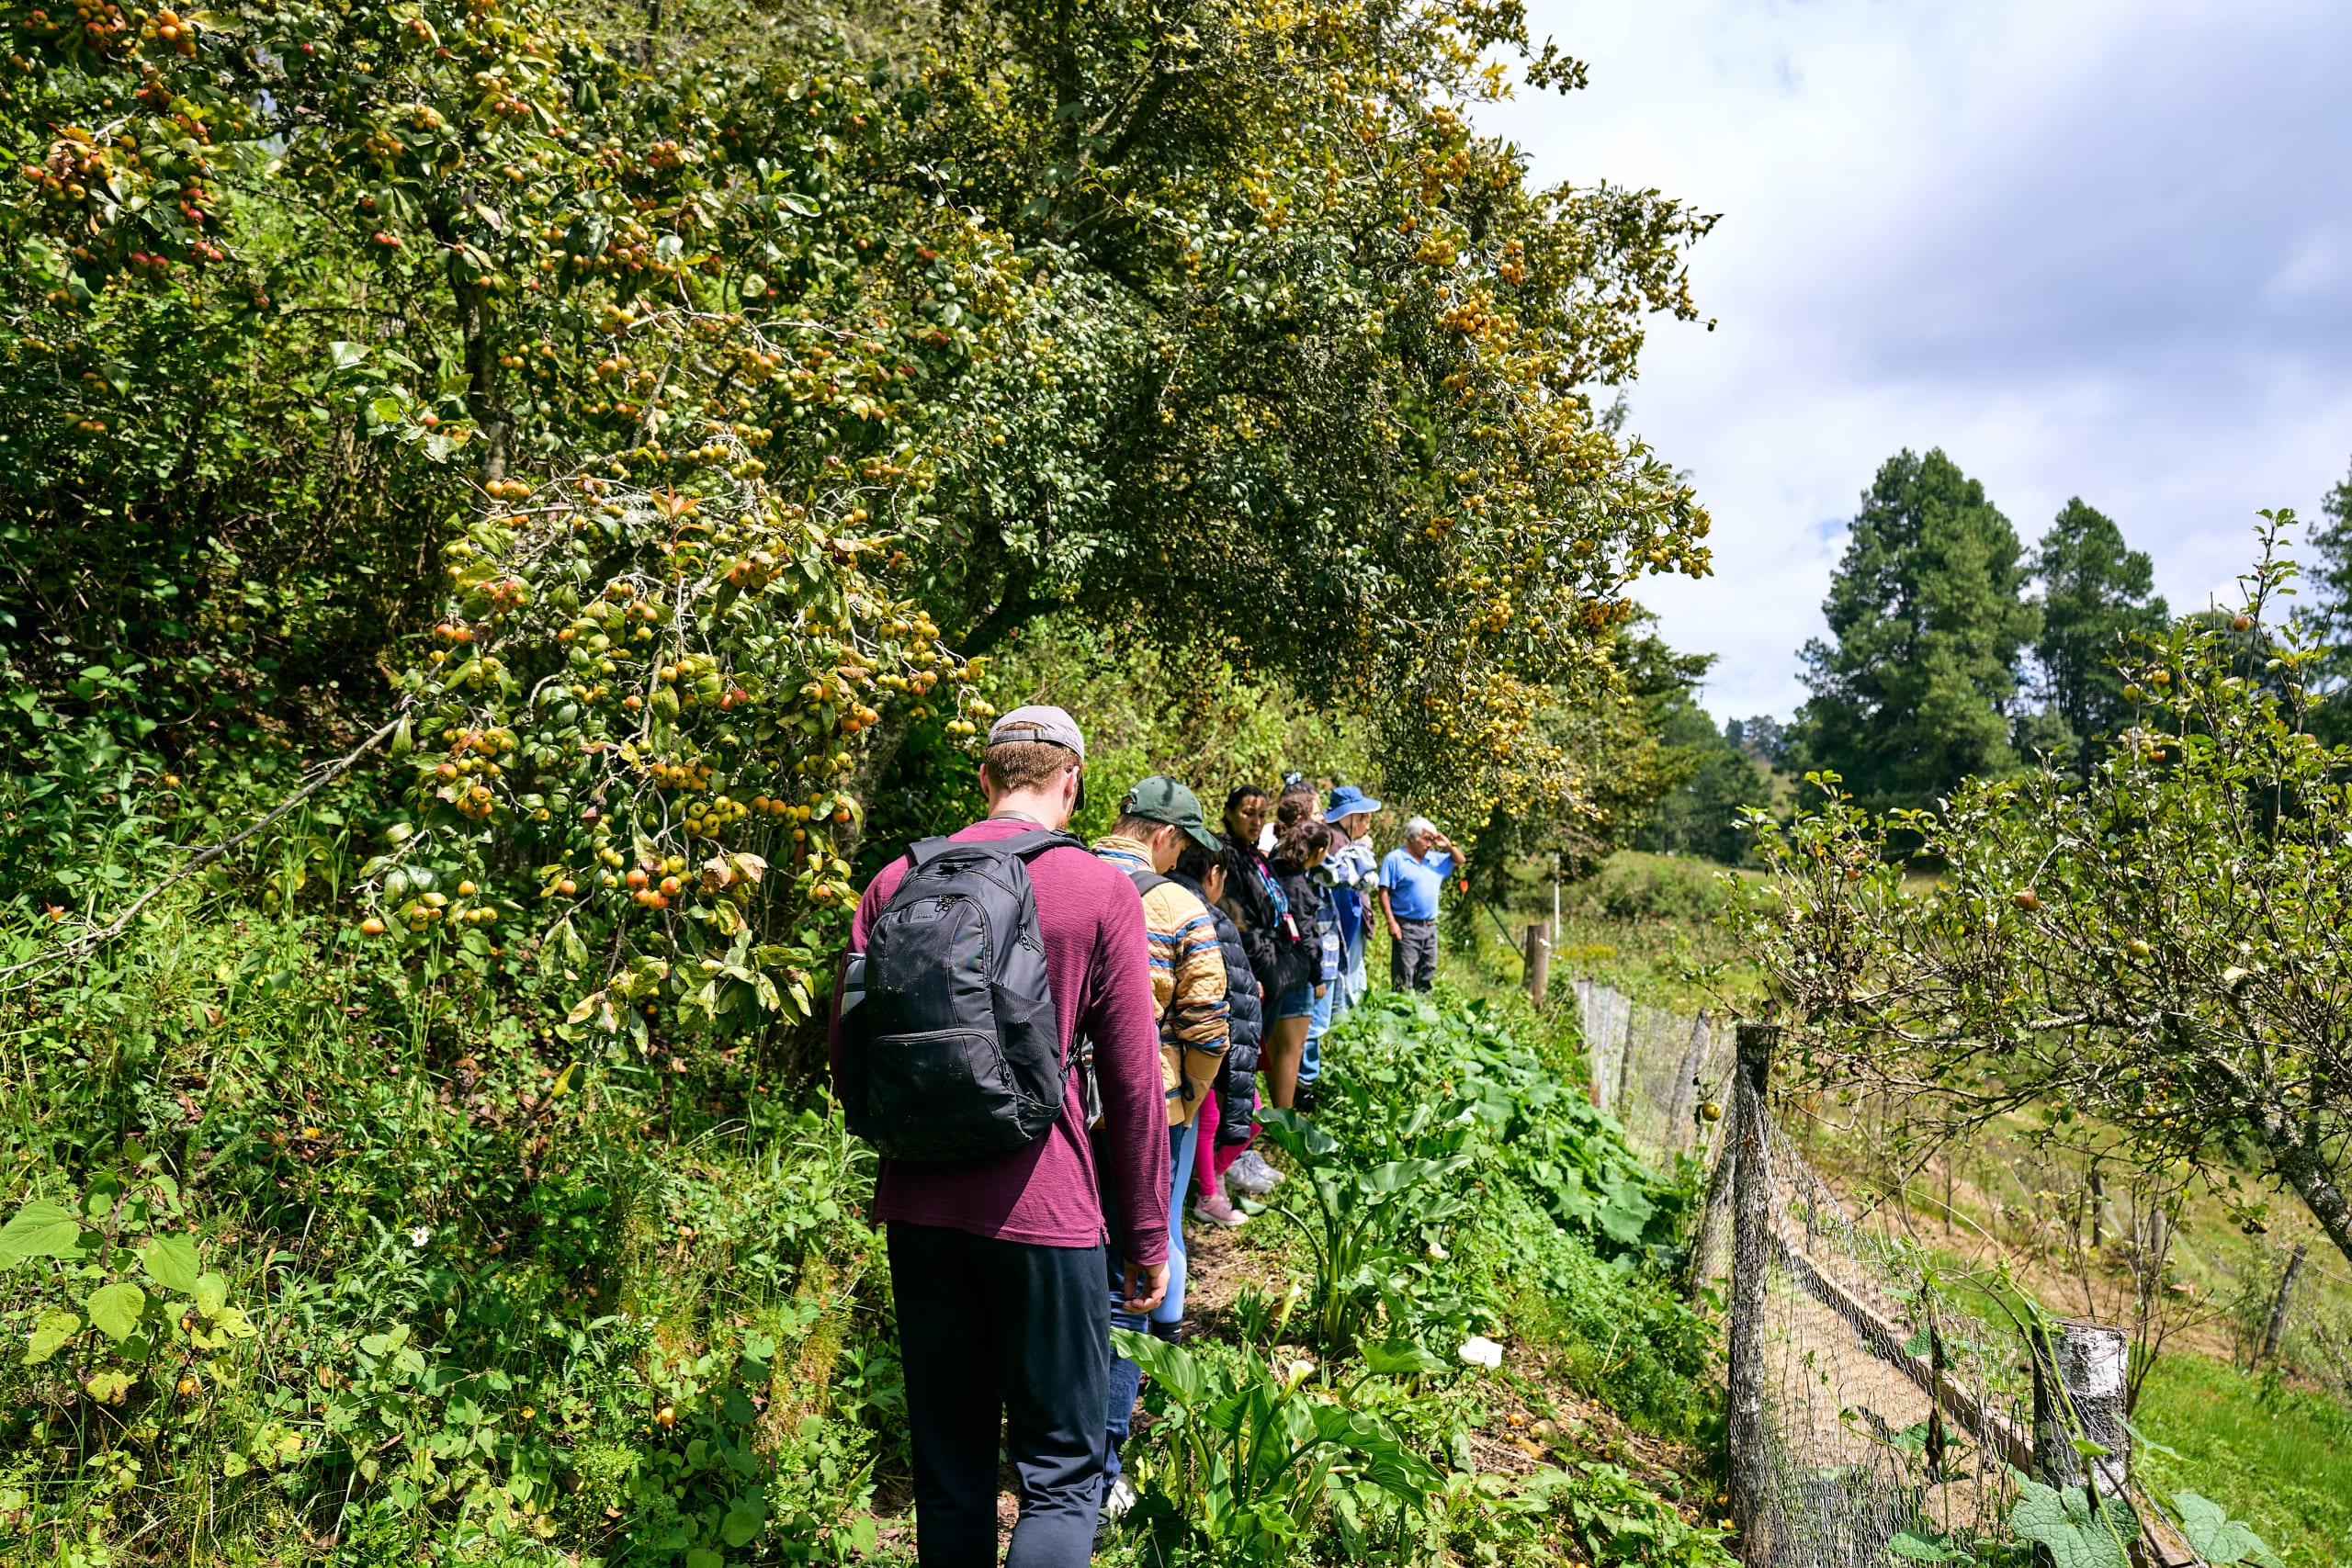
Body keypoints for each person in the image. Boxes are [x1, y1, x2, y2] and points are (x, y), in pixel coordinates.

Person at [830, 705, 1167, 1568]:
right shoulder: (1099, 890)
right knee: (1061, 1476)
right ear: (1071, 782)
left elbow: (848, 1052)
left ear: (983, 779)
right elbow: (1134, 1081)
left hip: (920, 1210)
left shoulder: (895, 880)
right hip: (1046, 1211)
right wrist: (1146, 1234)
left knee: (951, 1474)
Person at [1167, 840, 1261, 1231]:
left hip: (1175, 1044)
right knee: (1210, 1120)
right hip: (1206, 1043)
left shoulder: (1156, 897)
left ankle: (1212, 1180)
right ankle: (1208, 1193)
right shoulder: (1210, 917)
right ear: (1214, 874)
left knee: (1239, 1118)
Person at [1261, 809, 1330, 1109]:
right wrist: (1317, 976)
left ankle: (1277, 1114)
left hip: (1271, 969)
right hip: (1296, 973)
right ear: (1318, 851)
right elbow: (1304, 933)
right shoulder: (1299, 886)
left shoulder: (1271, 871)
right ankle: (1284, 1118)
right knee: (1292, 1050)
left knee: (1274, 1047)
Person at [1379, 815, 1460, 993]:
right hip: (1406, 926)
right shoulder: (1395, 859)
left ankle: (1423, 1007)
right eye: (1426, 839)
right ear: (1412, 838)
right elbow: (1383, 892)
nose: (1429, 844)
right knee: (1403, 976)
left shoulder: (1435, 860)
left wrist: (1448, 845)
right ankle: (1400, 1007)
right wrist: (1391, 923)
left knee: (1427, 972)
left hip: (1430, 926)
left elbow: (1460, 860)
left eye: (1432, 839)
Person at [1320, 785, 1381, 1015]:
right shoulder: (1337, 842)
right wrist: (1362, 850)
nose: (1367, 825)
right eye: (1364, 818)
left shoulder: (1338, 838)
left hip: (1345, 919)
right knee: (1345, 979)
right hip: (1342, 919)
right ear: (1350, 817)